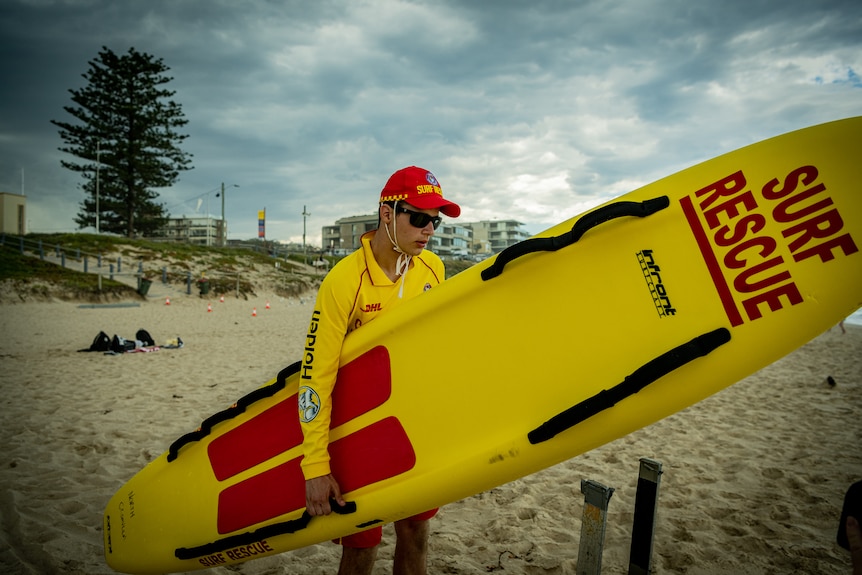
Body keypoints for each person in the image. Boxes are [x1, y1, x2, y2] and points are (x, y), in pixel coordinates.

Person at [298, 166, 460, 575]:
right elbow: (315, 377)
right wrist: (315, 467)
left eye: (434, 221)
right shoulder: (344, 281)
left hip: (415, 428)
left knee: (416, 535)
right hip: (361, 431)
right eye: (418, 217)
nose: (428, 229)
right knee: (361, 549)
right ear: (387, 213)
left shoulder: (433, 270)